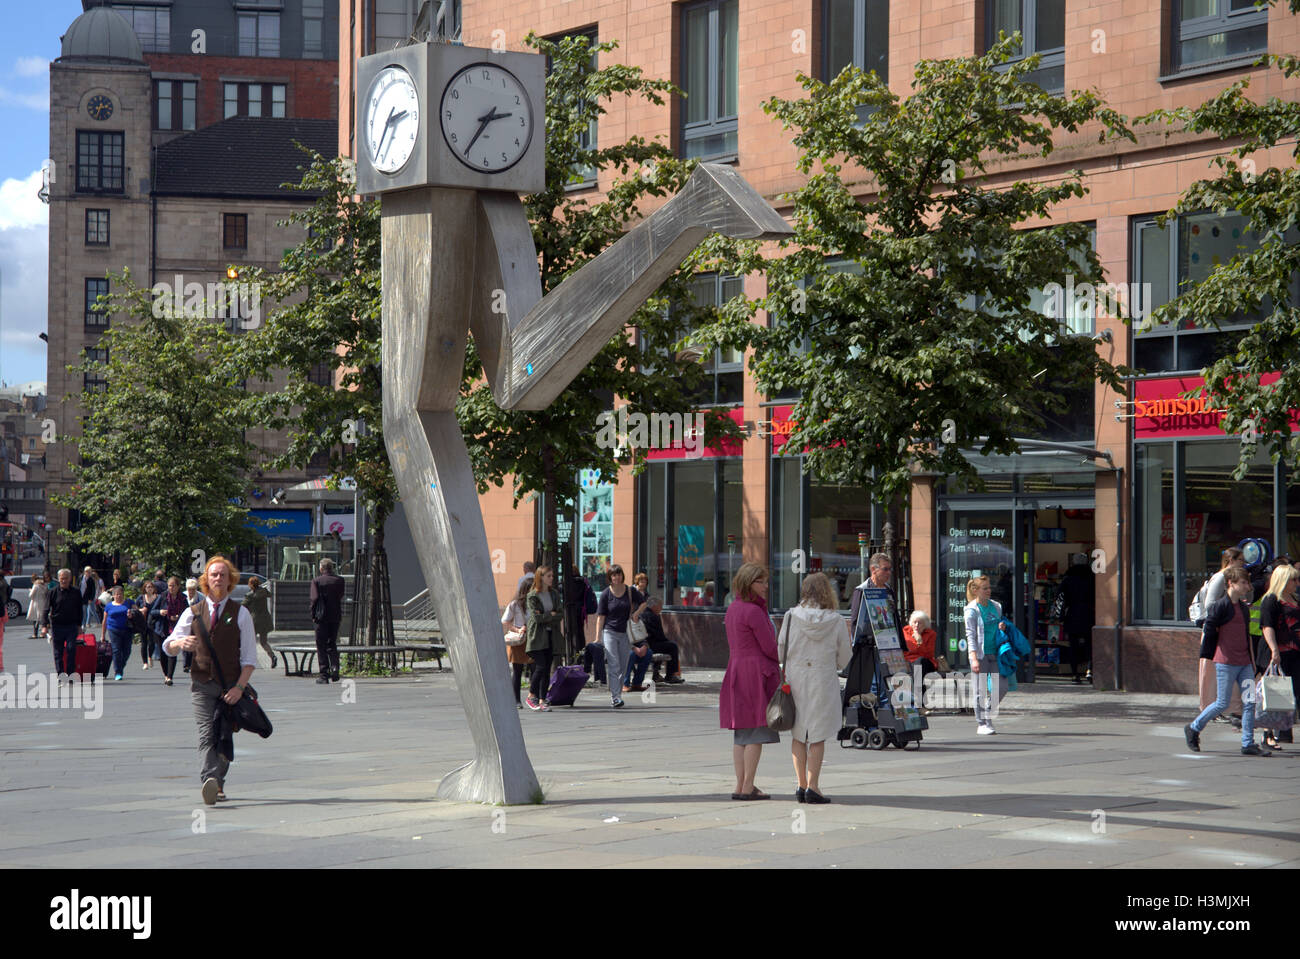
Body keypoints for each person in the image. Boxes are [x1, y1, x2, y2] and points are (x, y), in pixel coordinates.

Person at [162, 555, 258, 804]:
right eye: (213, 574)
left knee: (225, 734)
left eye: (222, 575)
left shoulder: (241, 613)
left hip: (230, 685)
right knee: (206, 733)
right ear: (206, 579)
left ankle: (219, 783)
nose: (218, 578)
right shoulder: (193, 612)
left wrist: (239, 687)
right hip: (202, 683)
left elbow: (249, 659)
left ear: (230, 580)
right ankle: (209, 780)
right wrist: (180, 642)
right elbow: (168, 645)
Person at [1184, 566, 1270, 756]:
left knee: (1249, 702)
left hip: (1244, 663)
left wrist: (1252, 661)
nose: (1247, 586)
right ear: (1231, 584)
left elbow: (1245, 636)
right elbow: (1209, 633)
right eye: (1243, 582)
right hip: (1226, 663)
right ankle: (1194, 727)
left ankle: (1248, 743)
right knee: (1222, 703)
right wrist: (1208, 657)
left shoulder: (1243, 608)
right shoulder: (1220, 607)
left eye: (1247, 582)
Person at [785, 572, 852, 804]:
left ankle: (801, 784)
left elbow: (780, 647)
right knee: (817, 735)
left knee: (798, 732)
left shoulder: (791, 616)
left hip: (796, 678)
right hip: (822, 678)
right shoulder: (835, 620)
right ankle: (814, 786)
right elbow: (845, 655)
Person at [721, 563, 780, 800]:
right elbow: (769, 647)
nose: (765, 586)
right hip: (756, 673)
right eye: (761, 582)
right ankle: (748, 786)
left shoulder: (733, 608)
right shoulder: (754, 611)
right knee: (755, 731)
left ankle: (740, 785)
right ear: (749, 583)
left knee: (741, 733)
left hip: (736, 670)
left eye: (766, 581)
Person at [1196, 548, 1246, 718]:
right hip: (1216, 629)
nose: (1243, 564)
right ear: (1231, 560)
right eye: (1241, 560)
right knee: (1211, 671)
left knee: (1224, 670)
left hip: (1225, 630)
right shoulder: (1220, 577)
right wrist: (1227, 614)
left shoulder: (1231, 578)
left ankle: (1226, 708)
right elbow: (1210, 605)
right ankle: (1209, 708)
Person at [1257, 562, 1299, 750]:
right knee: (1274, 694)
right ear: (1283, 580)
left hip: (1295, 652)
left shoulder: (1295, 599)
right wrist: (1274, 650)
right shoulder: (1271, 600)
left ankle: (1283, 731)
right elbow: (1267, 626)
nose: (1297, 583)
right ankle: (1268, 734)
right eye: (1293, 579)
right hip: (1278, 653)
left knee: (1293, 693)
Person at [595, 564, 646, 708]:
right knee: (614, 664)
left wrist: (636, 613)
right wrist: (598, 637)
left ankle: (618, 693)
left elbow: (643, 603)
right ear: (610, 578)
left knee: (623, 666)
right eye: (613, 575)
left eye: (619, 574)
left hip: (625, 633)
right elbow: (601, 617)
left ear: (622, 575)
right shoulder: (606, 594)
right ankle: (615, 697)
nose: (617, 577)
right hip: (609, 632)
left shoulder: (630, 591)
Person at [964, 575, 1008, 735]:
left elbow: (997, 626)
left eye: (989, 587)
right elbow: (970, 635)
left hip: (996, 653)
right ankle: (982, 723)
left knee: (1002, 687)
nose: (989, 591)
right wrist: (974, 657)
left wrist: (1001, 627)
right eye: (985, 588)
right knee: (980, 691)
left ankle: (987, 713)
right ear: (976, 591)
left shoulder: (996, 606)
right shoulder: (971, 610)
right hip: (980, 655)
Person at [524, 565, 564, 711]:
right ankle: (531, 696)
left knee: (547, 668)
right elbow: (536, 618)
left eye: (552, 576)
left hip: (550, 635)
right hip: (537, 636)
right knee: (540, 666)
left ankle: (542, 699)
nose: (551, 578)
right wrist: (550, 615)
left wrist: (548, 616)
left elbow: (560, 614)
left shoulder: (553, 594)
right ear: (540, 577)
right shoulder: (533, 595)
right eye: (548, 576)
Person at [1060, 553, 1095, 684]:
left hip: (1072, 614)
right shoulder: (1092, 578)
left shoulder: (1068, 578)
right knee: (1089, 645)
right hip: (1088, 614)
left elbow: (1060, 597)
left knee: (1073, 646)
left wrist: (1059, 615)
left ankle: (1075, 674)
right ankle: (1089, 671)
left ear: (1073, 563)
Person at [310, 558, 346, 684]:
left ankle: (324, 674)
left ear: (321, 568)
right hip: (335, 616)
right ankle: (335, 668)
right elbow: (340, 595)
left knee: (321, 645)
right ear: (332, 568)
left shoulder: (316, 581)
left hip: (321, 617)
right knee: (332, 643)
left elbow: (314, 599)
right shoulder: (340, 580)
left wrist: (313, 614)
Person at [44, 569, 83, 679]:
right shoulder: (52, 592)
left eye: (66, 578)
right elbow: (46, 609)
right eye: (62, 578)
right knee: (58, 652)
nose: (64, 580)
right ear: (59, 579)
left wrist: (80, 625)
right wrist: (44, 625)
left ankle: (70, 674)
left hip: (71, 626)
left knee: (71, 649)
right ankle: (61, 675)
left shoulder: (76, 592)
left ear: (70, 579)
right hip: (57, 626)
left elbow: (80, 609)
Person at [502, 579, 532, 708]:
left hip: (532, 638)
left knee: (535, 669)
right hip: (519, 640)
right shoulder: (515, 605)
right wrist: (518, 629)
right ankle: (516, 700)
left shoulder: (535, 603)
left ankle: (533, 697)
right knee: (517, 670)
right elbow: (505, 621)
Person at [641, 595, 684, 684]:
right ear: (654, 606)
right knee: (672, 646)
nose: (661, 608)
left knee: (665, 645)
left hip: (644, 644)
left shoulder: (643, 614)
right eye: (660, 606)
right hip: (650, 644)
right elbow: (658, 635)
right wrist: (667, 641)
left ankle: (656, 674)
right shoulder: (653, 616)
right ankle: (670, 675)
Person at [849, 553, 893, 637]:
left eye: (890, 569)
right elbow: (855, 622)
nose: (889, 573)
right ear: (873, 569)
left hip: (889, 641)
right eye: (885, 569)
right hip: (868, 644)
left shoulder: (889, 590)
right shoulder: (862, 590)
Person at [143, 581, 175, 686]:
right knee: (162, 654)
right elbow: (153, 611)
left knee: (172, 652)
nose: (172, 588)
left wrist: (178, 616)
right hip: (161, 629)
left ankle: (169, 676)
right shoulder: (161, 597)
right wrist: (160, 612)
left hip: (174, 629)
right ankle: (166, 674)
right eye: (170, 585)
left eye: (174, 585)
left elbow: (186, 611)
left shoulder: (182, 598)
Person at [101, 585, 134, 681]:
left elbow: (137, 613)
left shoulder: (129, 603)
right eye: (116, 594)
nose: (118, 596)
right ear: (113, 596)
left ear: (123, 595)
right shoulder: (109, 606)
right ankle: (118, 672)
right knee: (116, 650)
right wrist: (103, 635)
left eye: (120, 594)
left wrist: (132, 614)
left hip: (127, 630)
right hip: (113, 630)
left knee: (127, 651)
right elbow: (104, 620)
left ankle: (120, 666)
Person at [245, 576, 276, 669]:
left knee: (250, 642)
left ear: (251, 584)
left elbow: (243, 605)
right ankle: (272, 656)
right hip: (265, 620)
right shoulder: (264, 592)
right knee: (263, 642)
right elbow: (270, 594)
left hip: (255, 622)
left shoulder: (250, 595)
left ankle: (249, 661)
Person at [902, 609, 940, 679]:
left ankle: (917, 688)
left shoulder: (931, 634)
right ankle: (918, 687)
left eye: (920, 623)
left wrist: (919, 641)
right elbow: (904, 651)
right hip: (909, 660)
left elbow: (928, 655)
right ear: (911, 623)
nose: (916, 625)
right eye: (915, 622)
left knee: (920, 661)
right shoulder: (905, 631)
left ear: (925, 625)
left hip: (925, 661)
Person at [26, 573, 49, 639]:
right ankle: (43, 633)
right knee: (43, 618)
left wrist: (30, 591)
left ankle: (35, 634)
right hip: (43, 602)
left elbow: (31, 595)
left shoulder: (35, 586)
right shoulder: (44, 585)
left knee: (35, 619)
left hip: (36, 603)